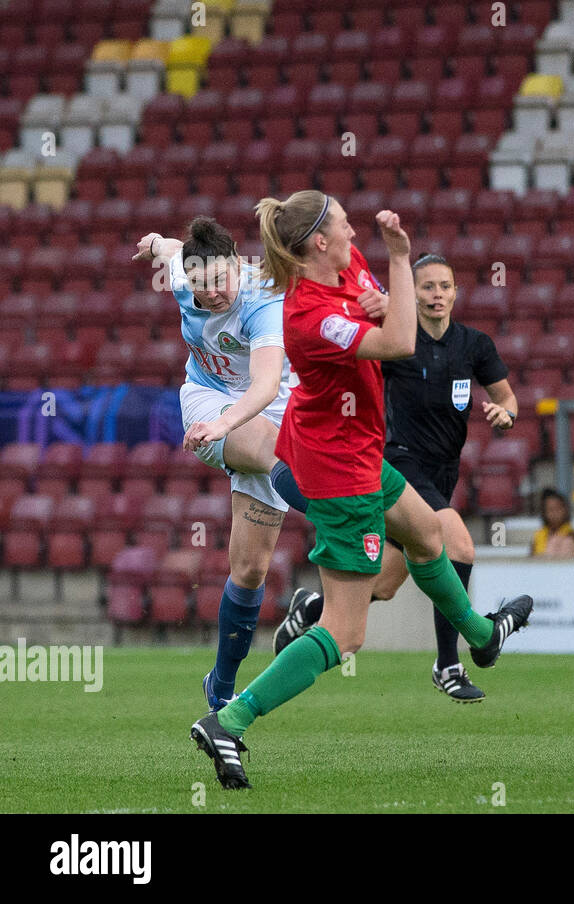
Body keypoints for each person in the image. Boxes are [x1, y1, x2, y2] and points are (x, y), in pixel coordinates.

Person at [190, 191, 531, 789]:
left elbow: (387, 313)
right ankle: (230, 720)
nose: (355, 232)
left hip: (358, 450)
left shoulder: (346, 268)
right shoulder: (308, 315)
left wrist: (385, 299)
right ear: (319, 241)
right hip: (338, 470)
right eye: (345, 225)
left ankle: (482, 637)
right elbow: (399, 342)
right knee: (346, 633)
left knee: (426, 534)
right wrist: (400, 259)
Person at [275, 253, 520, 703]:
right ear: (412, 293)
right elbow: (350, 365)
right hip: (397, 465)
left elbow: (507, 398)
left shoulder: (474, 345)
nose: (437, 295)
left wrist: (506, 414)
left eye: (445, 286)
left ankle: (310, 609)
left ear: (456, 292)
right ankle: (449, 664)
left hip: (443, 474)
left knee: (384, 585)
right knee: (458, 546)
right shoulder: (398, 342)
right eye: (427, 286)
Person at [132, 218, 320, 713]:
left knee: (251, 569)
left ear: (238, 263)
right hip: (207, 401)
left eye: (220, 280)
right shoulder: (185, 273)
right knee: (278, 455)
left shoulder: (262, 300)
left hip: (267, 408)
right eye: (201, 284)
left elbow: (265, 386)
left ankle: (219, 686)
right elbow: (172, 249)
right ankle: (342, 517)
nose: (211, 293)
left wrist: (227, 424)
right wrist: (155, 243)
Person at [531, 488, 574, 557]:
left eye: (557, 509)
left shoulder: (571, 534)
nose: (554, 513)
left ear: (565, 510)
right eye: (550, 509)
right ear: (544, 512)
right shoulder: (538, 535)